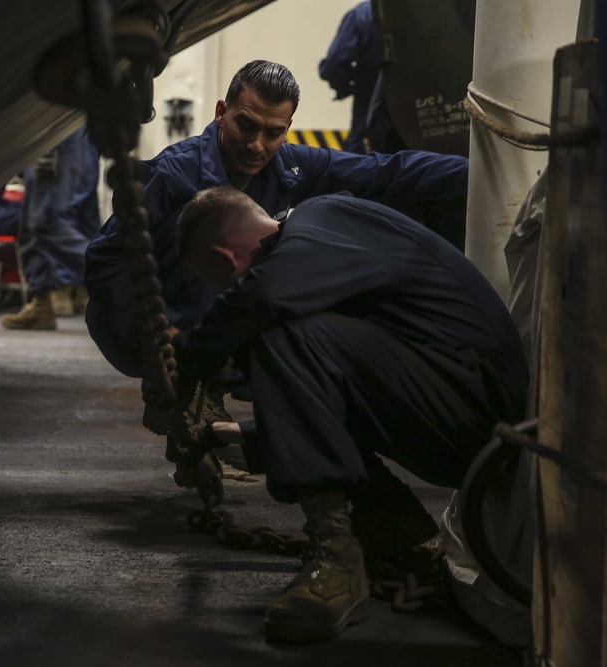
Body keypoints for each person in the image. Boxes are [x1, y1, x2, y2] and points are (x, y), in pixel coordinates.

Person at [172, 187, 528, 642]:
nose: (227, 290)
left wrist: (183, 365)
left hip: (479, 410)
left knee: (278, 333)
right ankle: (387, 522)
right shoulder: (323, 243)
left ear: (226, 259)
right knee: (289, 334)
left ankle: (338, 562)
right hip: (460, 410)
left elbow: (263, 297)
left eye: (221, 282)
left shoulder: (320, 219)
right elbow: (333, 396)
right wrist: (235, 434)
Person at [85, 60, 469, 380]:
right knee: (214, 227)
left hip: (207, 323)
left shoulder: (292, 166)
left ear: (287, 128)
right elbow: (106, 260)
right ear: (221, 112)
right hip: (134, 330)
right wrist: (156, 330)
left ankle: (235, 375)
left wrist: (481, 172)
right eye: (245, 126)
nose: (256, 146)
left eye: (273, 133)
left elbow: (387, 173)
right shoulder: (172, 174)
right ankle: (197, 372)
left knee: (285, 241)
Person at [0, 126, 101, 330]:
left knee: (45, 222)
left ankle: (113, 270)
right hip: (43, 131)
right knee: (30, 225)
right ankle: (41, 304)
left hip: (55, 132)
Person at [318, 1, 380, 153]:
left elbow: (334, 65)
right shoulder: (437, 12)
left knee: (357, 166)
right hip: (429, 125)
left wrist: (349, 85)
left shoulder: (364, 13)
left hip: (371, 119)